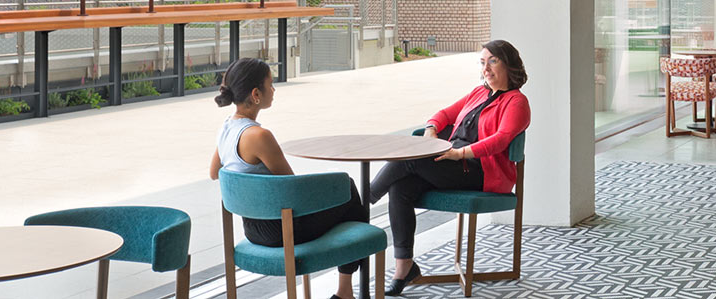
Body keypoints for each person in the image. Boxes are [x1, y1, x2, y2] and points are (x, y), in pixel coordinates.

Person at [370, 39, 530, 296]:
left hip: (480, 172)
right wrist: (431, 131)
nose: (486, 68)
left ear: (509, 64)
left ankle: (365, 199)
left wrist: (460, 153)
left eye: (493, 61)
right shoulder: (479, 92)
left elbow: (500, 140)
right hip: (453, 162)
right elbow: (443, 114)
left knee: (412, 157)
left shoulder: (516, 102)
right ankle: (405, 267)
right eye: (482, 62)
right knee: (401, 186)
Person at [210, 58, 370, 299]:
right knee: (346, 188)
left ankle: (346, 289)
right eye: (270, 84)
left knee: (342, 195)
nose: (273, 90)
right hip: (280, 230)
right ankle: (345, 289)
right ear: (256, 94)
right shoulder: (259, 135)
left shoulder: (227, 128)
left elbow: (215, 173)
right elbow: (292, 186)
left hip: (252, 228)